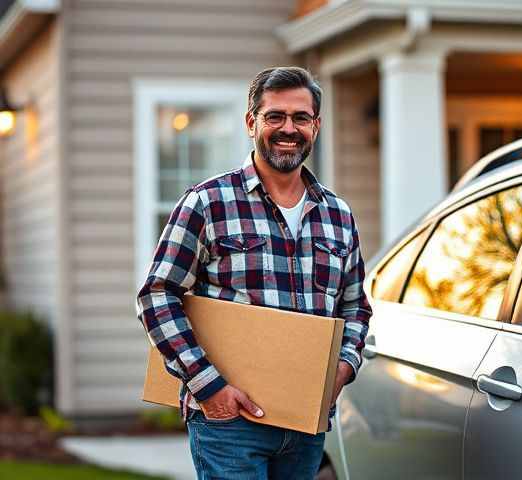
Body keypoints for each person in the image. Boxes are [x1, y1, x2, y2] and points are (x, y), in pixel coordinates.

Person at [136, 66, 372, 479]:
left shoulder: (338, 214)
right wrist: (208, 388)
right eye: (275, 116)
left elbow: (355, 306)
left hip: (305, 425)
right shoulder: (207, 203)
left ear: (316, 126)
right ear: (251, 123)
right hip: (229, 424)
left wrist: (343, 367)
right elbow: (156, 296)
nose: (289, 128)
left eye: (301, 117)